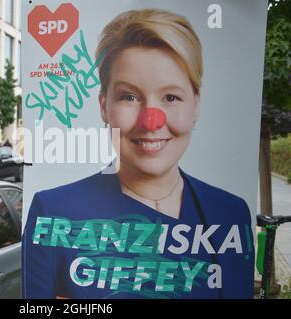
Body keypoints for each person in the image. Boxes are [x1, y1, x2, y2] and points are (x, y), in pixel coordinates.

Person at [23, 9, 254, 299]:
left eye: (171, 97)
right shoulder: (53, 212)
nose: (151, 120)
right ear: (104, 105)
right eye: (129, 97)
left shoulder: (230, 212)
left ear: (195, 104)